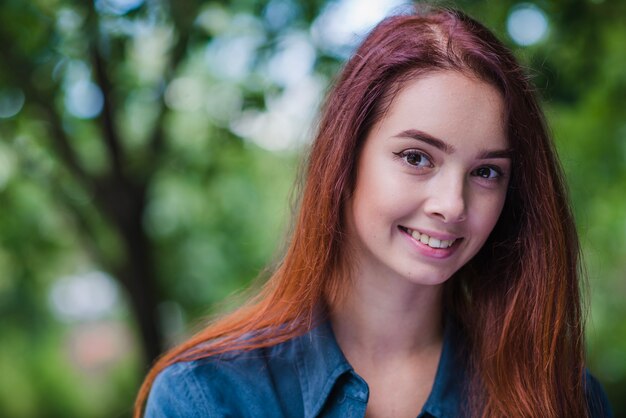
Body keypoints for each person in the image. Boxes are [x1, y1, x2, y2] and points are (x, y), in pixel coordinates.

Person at [135, 6, 613, 418]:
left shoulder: (561, 396)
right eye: (416, 157)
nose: (452, 205)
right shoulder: (206, 395)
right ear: (345, 159)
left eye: (487, 172)